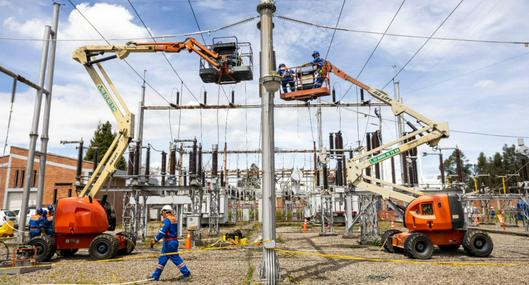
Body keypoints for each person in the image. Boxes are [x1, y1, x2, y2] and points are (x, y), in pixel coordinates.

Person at [150, 205, 191, 281]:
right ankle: (155, 276)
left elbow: (162, 232)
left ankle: (187, 273)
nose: (162, 214)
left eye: (162, 213)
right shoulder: (173, 219)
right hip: (171, 241)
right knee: (163, 259)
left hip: (169, 243)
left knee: (175, 258)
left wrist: (155, 240)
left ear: (166, 211)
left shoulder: (167, 220)